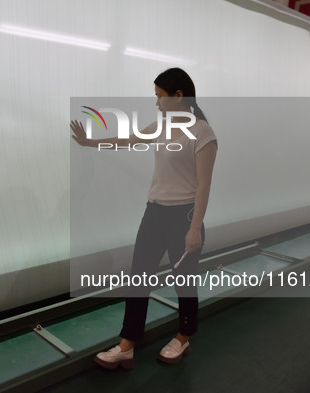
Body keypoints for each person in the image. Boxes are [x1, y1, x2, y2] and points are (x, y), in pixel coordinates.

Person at [70, 68, 217, 369]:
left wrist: (194, 229)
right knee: (139, 280)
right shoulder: (163, 125)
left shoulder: (203, 133)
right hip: (154, 213)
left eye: (160, 97)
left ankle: (184, 337)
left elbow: (204, 185)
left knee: (184, 283)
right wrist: (90, 142)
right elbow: (128, 139)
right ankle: (126, 345)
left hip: (184, 216)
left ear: (179, 96)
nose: (157, 103)